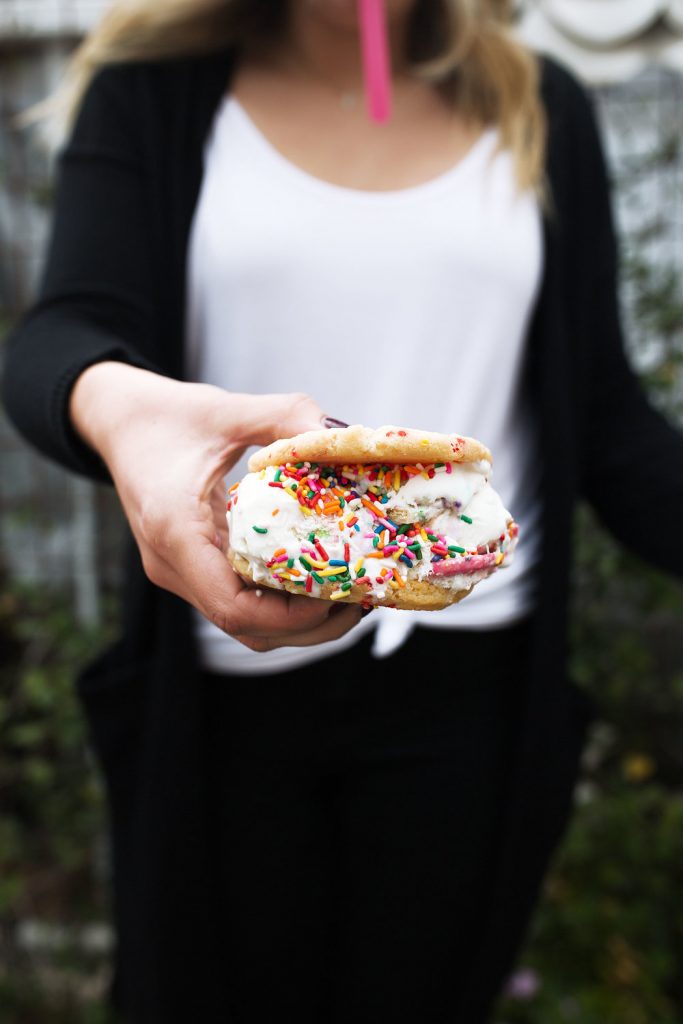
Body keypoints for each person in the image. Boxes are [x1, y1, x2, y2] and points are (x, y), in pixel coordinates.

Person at [3, 1, 683, 1021]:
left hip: (475, 695)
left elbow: (606, 426)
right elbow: (65, 333)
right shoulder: (152, 94)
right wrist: (115, 409)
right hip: (221, 695)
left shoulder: (541, 108)